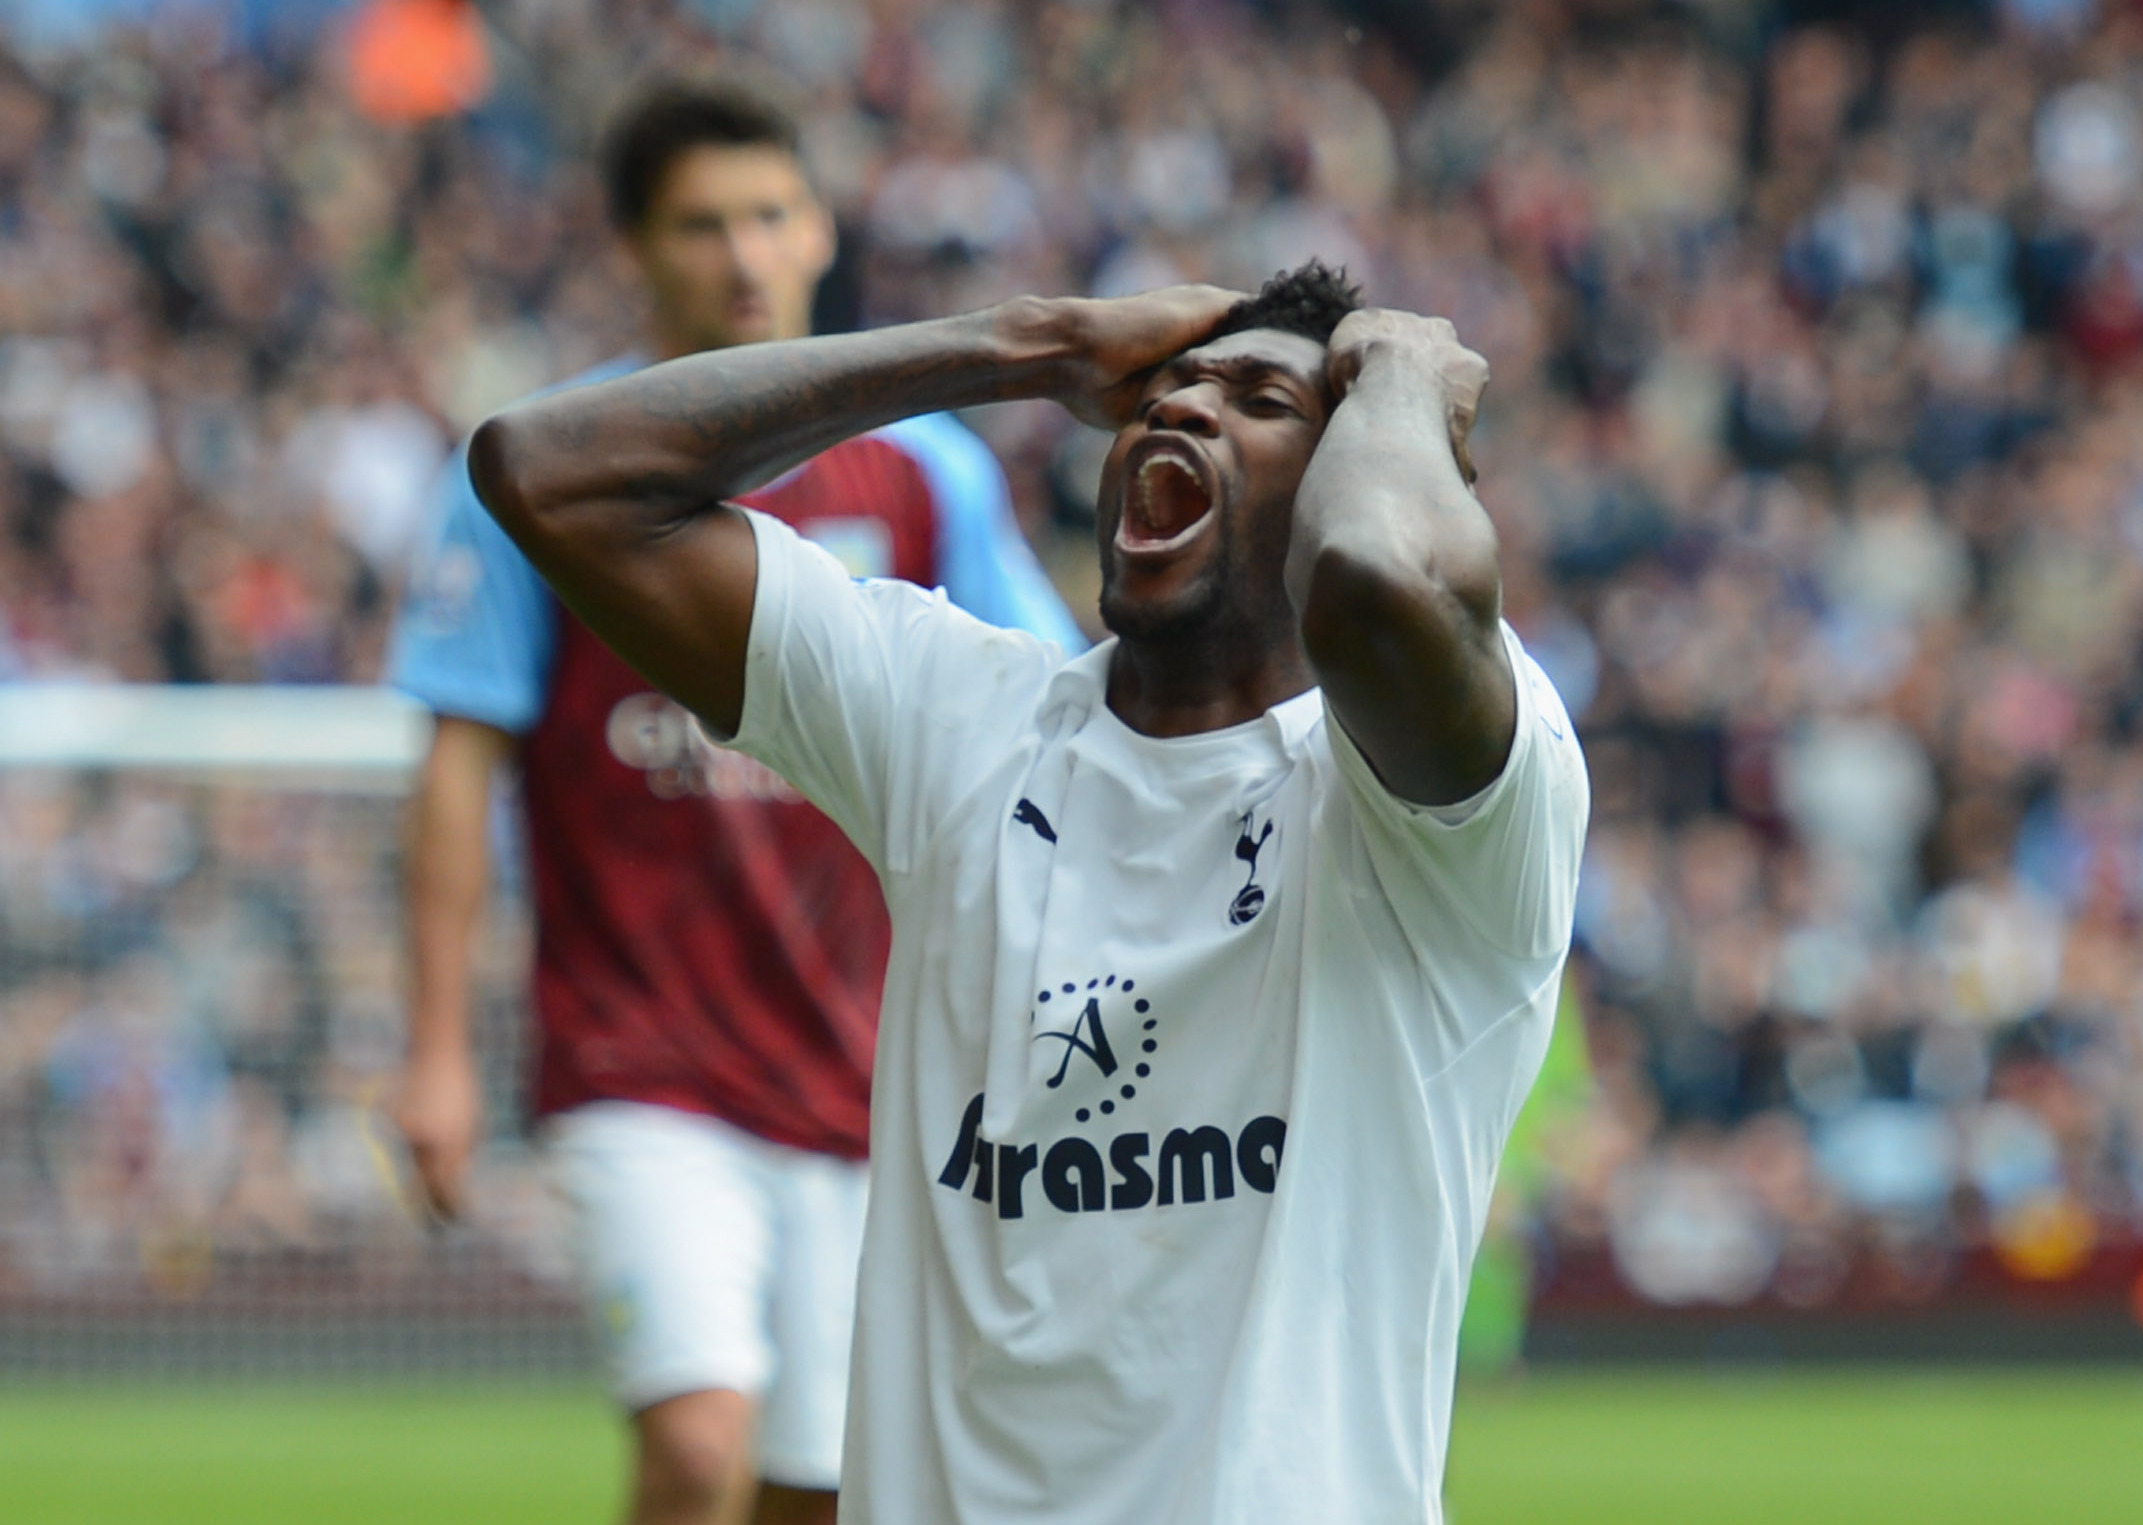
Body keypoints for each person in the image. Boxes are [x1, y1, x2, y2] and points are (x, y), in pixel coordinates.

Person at [465, 259, 1589, 1523]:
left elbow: (1380, 581)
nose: (1183, 410)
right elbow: (547, 469)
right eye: (1167, 391)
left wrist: (1398, 373)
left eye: (1260, 401)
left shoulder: (1451, 813)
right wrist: (1021, 347)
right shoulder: (959, 717)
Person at [385, 78, 1082, 1525]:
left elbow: (1050, 727)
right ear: (632, 248)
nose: (743, 253)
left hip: (861, 1067)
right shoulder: (548, 471)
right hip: (638, 1056)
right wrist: (438, 1050)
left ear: (820, 229)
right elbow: (460, 761)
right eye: (701, 225)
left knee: (813, 1490)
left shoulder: (928, 475)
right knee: (698, 1443)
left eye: (768, 215)